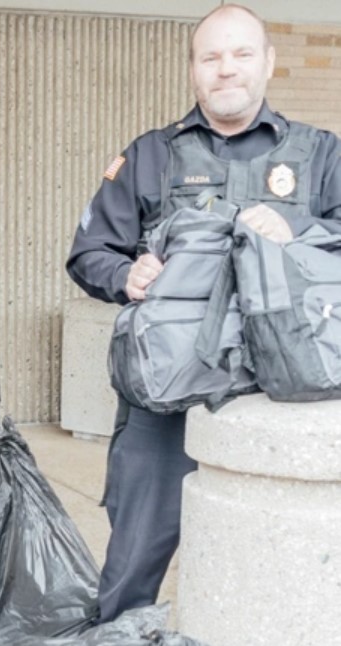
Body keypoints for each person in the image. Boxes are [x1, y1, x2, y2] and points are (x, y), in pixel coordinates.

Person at [66, 4, 341, 623]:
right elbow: (88, 254)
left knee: (279, 566)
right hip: (168, 390)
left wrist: (297, 230)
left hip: (283, 393)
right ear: (193, 69)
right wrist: (125, 274)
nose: (227, 69)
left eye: (242, 54)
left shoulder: (322, 155)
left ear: (268, 62)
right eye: (211, 56)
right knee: (133, 559)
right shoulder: (149, 155)